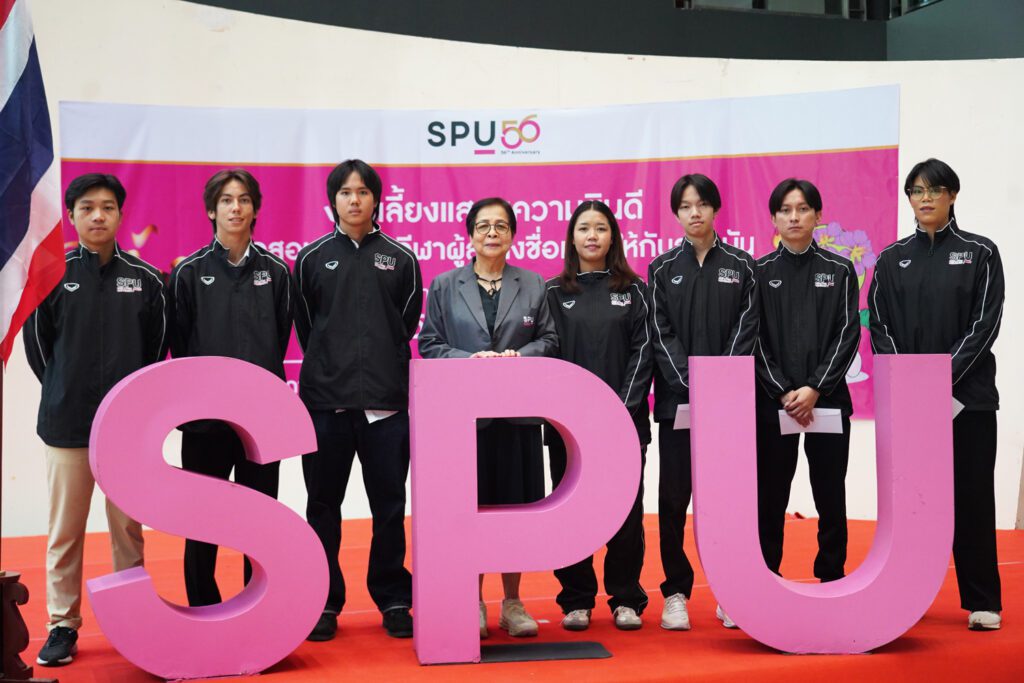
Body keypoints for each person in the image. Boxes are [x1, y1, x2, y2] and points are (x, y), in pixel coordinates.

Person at [24, 173, 167, 667]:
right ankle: (62, 625)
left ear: (121, 215)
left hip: (127, 430)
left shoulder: (147, 280)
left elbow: (155, 352)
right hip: (67, 426)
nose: (98, 216)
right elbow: (40, 353)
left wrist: (131, 407)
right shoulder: (50, 276)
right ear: (72, 215)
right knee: (65, 531)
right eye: (87, 208)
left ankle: (135, 620)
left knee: (127, 529)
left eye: (107, 207)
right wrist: (66, 390)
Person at [869, 158, 1005, 631]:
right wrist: (912, 387)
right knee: (912, 502)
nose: (925, 198)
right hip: (910, 407)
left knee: (972, 498)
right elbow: (879, 325)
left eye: (934, 190)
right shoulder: (891, 259)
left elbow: (985, 324)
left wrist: (939, 381)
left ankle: (982, 600)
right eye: (916, 191)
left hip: (969, 401)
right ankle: (908, 596)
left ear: (952, 195)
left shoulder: (980, 253)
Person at [419, 197, 558, 638]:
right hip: (466, 422)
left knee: (517, 509)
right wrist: (469, 360)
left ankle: (512, 603)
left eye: (501, 226)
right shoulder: (445, 285)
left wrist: (521, 356)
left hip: (517, 418)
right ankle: (474, 600)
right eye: (483, 226)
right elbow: (430, 344)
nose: (492, 233)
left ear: (513, 234)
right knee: (471, 510)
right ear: (470, 234)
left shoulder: (533, 283)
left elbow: (550, 339)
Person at [294, 159, 421, 640]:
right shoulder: (311, 258)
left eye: (363, 192)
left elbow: (404, 323)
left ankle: (393, 598)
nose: (354, 200)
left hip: (386, 406)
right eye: (345, 192)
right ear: (333, 200)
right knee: (322, 505)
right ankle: (324, 601)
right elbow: (307, 325)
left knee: (389, 506)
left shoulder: (401, 258)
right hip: (326, 404)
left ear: (376, 199)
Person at [168, 168, 293, 607]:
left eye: (243, 199)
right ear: (211, 210)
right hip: (205, 421)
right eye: (226, 200)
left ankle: (256, 605)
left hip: (261, 421)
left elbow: (279, 338)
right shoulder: (188, 273)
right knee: (202, 521)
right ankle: (203, 605)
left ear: (255, 209)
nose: (235, 208)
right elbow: (180, 344)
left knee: (259, 520)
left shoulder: (276, 272)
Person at [648, 173, 757, 631]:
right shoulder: (660, 269)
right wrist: (693, 385)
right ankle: (675, 593)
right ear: (676, 213)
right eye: (685, 206)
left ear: (715, 208)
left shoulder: (743, 265)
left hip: (728, 409)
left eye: (702, 204)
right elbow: (660, 334)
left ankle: (731, 591)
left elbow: (747, 329)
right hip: (678, 405)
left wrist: (719, 387)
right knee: (673, 500)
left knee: (727, 502)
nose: (694, 213)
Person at [544, 200, 652, 631]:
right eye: (584, 228)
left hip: (624, 424)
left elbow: (643, 352)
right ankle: (576, 599)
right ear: (572, 238)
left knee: (626, 512)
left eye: (601, 228)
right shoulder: (552, 293)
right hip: (567, 429)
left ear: (613, 238)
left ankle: (626, 598)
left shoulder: (635, 290)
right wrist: (571, 416)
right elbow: (548, 356)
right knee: (570, 512)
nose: (592, 236)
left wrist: (618, 411)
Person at [754, 178, 860, 599]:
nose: (794, 217)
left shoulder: (839, 270)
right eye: (785, 210)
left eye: (802, 209)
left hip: (827, 402)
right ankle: (766, 576)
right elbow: (753, 339)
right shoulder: (759, 272)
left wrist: (815, 388)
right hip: (773, 405)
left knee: (830, 493)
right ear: (774, 218)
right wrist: (784, 391)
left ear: (818, 215)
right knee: (770, 495)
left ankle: (832, 575)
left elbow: (847, 333)